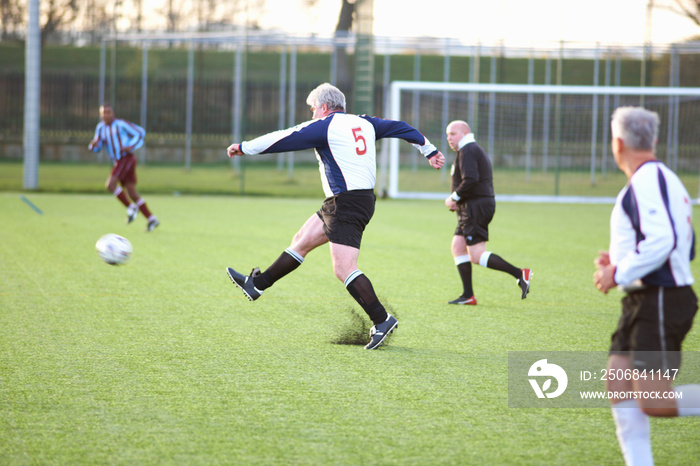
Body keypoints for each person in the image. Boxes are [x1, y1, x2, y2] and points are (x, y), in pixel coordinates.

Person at [225, 82, 445, 350]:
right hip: (351, 201)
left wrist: (244, 147)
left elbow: (283, 137)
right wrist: (429, 150)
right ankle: (256, 285)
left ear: (324, 107)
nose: (312, 114)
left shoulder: (325, 125)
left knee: (343, 268)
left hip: (346, 203)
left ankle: (382, 319)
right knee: (302, 239)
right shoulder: (364, 122)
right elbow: (401, 126)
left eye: (312, 109)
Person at [593, 106, 699, 466]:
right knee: (617, 384)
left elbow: (663, 241)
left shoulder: (647, 180)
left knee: (654, 401)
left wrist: (618, 272)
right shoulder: (663, 178)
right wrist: (621, 259)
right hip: (648, 299)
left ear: (617, 142)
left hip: (661, 299)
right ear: (652, 140)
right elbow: (685, 243)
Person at [444, 120, 531, 305]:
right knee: (458, 246)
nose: (449, 138)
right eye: (447, 135)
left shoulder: (468, 149)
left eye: (453, 133)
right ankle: (468, 295)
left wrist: (454, 197)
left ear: (465, 132)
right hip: (472, 206)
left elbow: (471, 180)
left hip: (475, 207)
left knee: (475, 255)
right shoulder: (466, 150)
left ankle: (520, 274)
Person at [88, 103, 159, 232]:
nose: (106, 115)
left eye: (108, 112)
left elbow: (140, 133)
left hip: (126, 158)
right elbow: (97, 147)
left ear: (112, 113)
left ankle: (131, 207)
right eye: (104, 112)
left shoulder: (121, 124)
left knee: (110, 185)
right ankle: (151, 219)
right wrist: (93, 146)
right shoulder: (100, 128)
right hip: (118, 161)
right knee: (131, 192)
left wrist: (131, 145)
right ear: (100, 114)